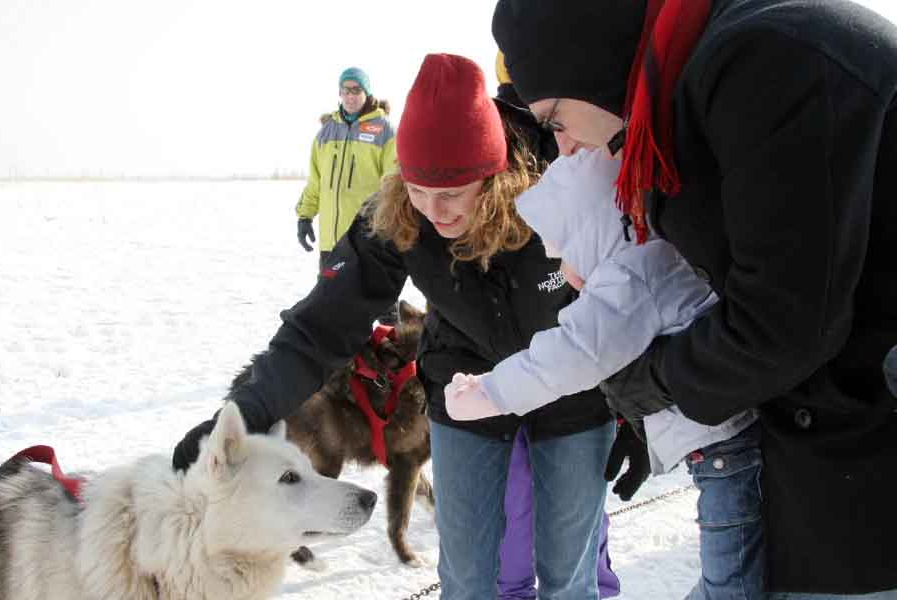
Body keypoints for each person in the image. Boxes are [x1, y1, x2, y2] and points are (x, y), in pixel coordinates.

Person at [173, 54, 648, 599]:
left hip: (572, 390)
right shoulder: (401, 212)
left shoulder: (561, 181)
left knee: (569, 578)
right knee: (468, 580)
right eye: (420, 189)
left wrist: (636, 409)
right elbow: (319, 329)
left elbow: (628, 297)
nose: (434, 211)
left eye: (450, 194)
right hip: (466, 391)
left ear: (494, 179)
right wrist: (247, 408)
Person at [493, 0, 897, 597]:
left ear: (585, 63)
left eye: (554, 120)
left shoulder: (764, 60)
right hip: (827, 448)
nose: (566, 147)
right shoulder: (686, 85)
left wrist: (655, 378)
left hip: (867, 461)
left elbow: (784, 324)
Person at [445, 147, 763, 599]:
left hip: (722, 449)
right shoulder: (655, 256)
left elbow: (572, 354)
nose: (564, 271)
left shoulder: (629, 277)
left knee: (733, 577)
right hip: (726, 441)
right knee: (740, 564)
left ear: (592, 233)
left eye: (564, 253)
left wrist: (491, 391)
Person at [492, 51, 621, 600]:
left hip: (581, 365)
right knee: (515, 516)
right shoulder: (494, 137)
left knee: (581, 521)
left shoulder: (594, 128)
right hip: (506, 358)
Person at [295, 66, 397, 272]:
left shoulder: (384, 130)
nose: (350, 96)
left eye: (356, 90)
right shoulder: (326, 131)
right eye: (345, 90)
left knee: (374, 301)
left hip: (368, 240)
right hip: (330, 242)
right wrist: (305, 216)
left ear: (366, 93)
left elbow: (394, 185)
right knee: (329, 300)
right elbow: (316, 181)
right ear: (340, 93)